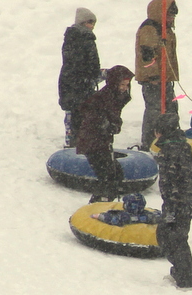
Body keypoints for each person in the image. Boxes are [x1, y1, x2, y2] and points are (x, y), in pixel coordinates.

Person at [76, 65, 135, 204]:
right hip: (93, 141)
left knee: (115, 174)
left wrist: (114, 125)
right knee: (108, 176)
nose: (124, 88)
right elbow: (91, 116)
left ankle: (104, 201)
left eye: (127, 85)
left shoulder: (116, 96)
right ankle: (98, 203)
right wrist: (107, 125)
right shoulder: (102, 98)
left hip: (103, 140)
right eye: (122, 84)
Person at [154, 113, 192, 289]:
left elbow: (171, 181)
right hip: (186, 200)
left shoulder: (169, 150)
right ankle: (182, 273)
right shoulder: (181, 145)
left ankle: (185, 278)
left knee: (172, 238)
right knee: (174, 237)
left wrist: (171, 207)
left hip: (177, 202)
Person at [135, 0, 180, 151]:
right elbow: (147, 55)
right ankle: (150, 143)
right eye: (169, 15)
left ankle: (169, 138)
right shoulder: (150, 29)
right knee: (155, 110)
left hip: (165, 79)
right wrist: (153, 76)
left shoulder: (165, 29)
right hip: (153, 81)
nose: (172, 19)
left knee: (170, 107)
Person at [58, 7, 104, 148]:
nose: (92, 26)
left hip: (69, 82)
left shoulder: (71, 38)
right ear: (83, 23)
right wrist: (93, 75)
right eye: (90, 22)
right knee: (82, 115)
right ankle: (80, 144)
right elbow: (89, 64)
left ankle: (72, 142)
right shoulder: (86, 39)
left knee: (72, 114)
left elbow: (72, 63)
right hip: (81, 84)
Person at [91, 193, 161, 226]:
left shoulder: (125, 217)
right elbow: (156, 216)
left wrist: (99, 216)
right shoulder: (146, 215)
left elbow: (114, 220)